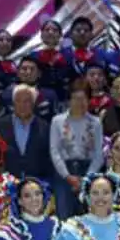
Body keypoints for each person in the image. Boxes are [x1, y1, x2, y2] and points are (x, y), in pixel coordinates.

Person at [49, 79, 105, 219]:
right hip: (64, 173)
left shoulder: (95, 122)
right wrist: (67, 176)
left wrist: (87, 178)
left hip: (88, 171)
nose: (80, 103)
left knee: (88, 216)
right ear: (69, 100)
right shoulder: (57, 121)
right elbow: (54, 151)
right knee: (64, 217)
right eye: (76, 99)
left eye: (84, 99)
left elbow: (99, 153)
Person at [0, 84, 54, 181]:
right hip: (7, 182)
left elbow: (47, 159)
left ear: (33, 103)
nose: (22, 105)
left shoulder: (45, 127)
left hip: (36, 183)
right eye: (18, 101)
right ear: (13, 103)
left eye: (27, 101)